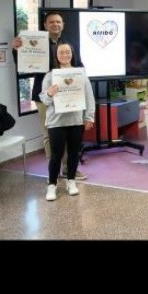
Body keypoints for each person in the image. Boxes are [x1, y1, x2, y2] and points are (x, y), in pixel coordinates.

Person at [12, 11, 87, 180]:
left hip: (68, 95)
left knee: (68, 132)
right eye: (52, 22)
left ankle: (69, 169)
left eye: (58, 22)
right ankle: (54, 169)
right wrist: (16, 49)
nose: (55, 24)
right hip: (43, 95)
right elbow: (23, 63)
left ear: (63, 24)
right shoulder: (36, 44)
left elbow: (79, 66)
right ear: (45, 25)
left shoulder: (71, 43)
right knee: (48, 134)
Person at [39, 42, 95, 201]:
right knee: (55, 155)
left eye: (67, 52)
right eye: (61, 52)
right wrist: (49, 94)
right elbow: (44, 100)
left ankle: (71, 181)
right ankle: (52, 185)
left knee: (73, 153)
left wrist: (89, 117)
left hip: (76, 120)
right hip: (56, 122)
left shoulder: (81, 75)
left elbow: (89, 97)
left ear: (72, 54)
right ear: (56, 55)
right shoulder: (50, 76)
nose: (64, 55)